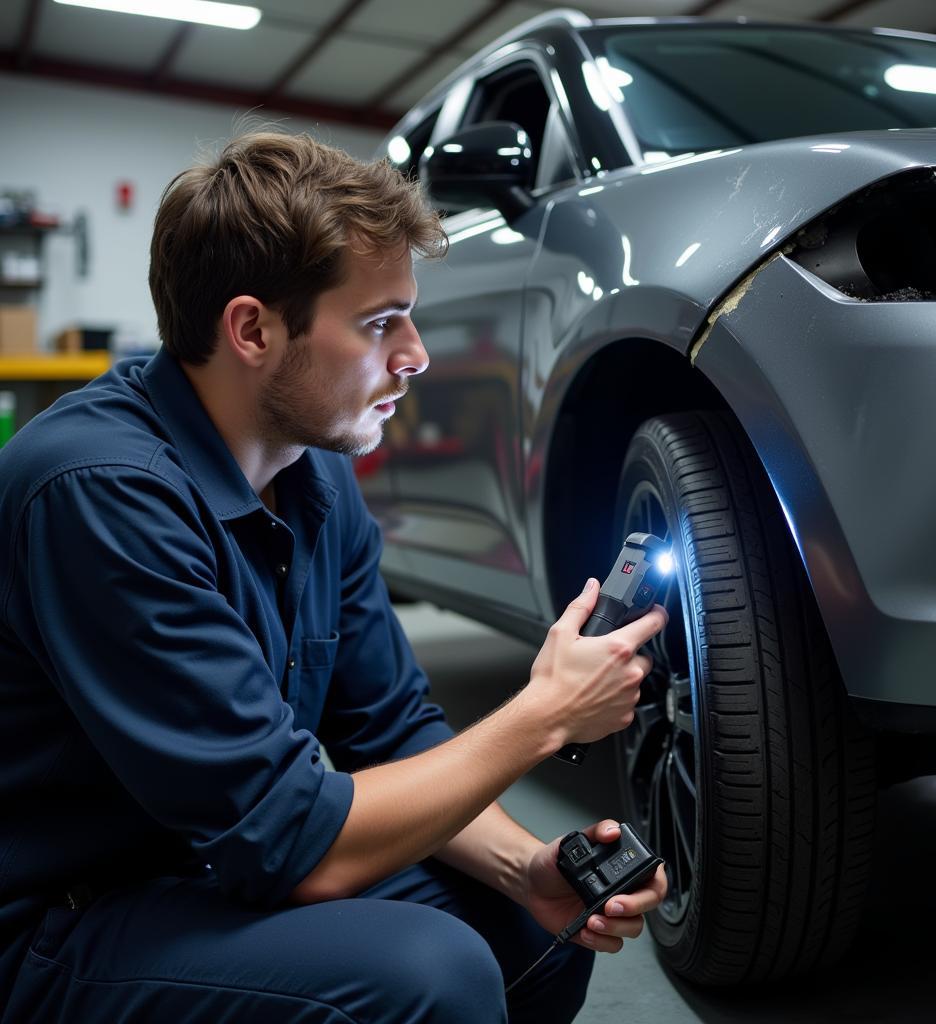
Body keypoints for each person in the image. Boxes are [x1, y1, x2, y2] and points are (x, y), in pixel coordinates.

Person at [0, 130, 668, 1023]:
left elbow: (390, 727)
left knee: (532, 928)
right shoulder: (98, 492)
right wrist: (544, 715)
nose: (416, 354)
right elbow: (288, 845)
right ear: (253, 329)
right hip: (62, 922)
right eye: (379, 321)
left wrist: (528, 868)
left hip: (204, 868)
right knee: (430, 974)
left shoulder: (311, 480)